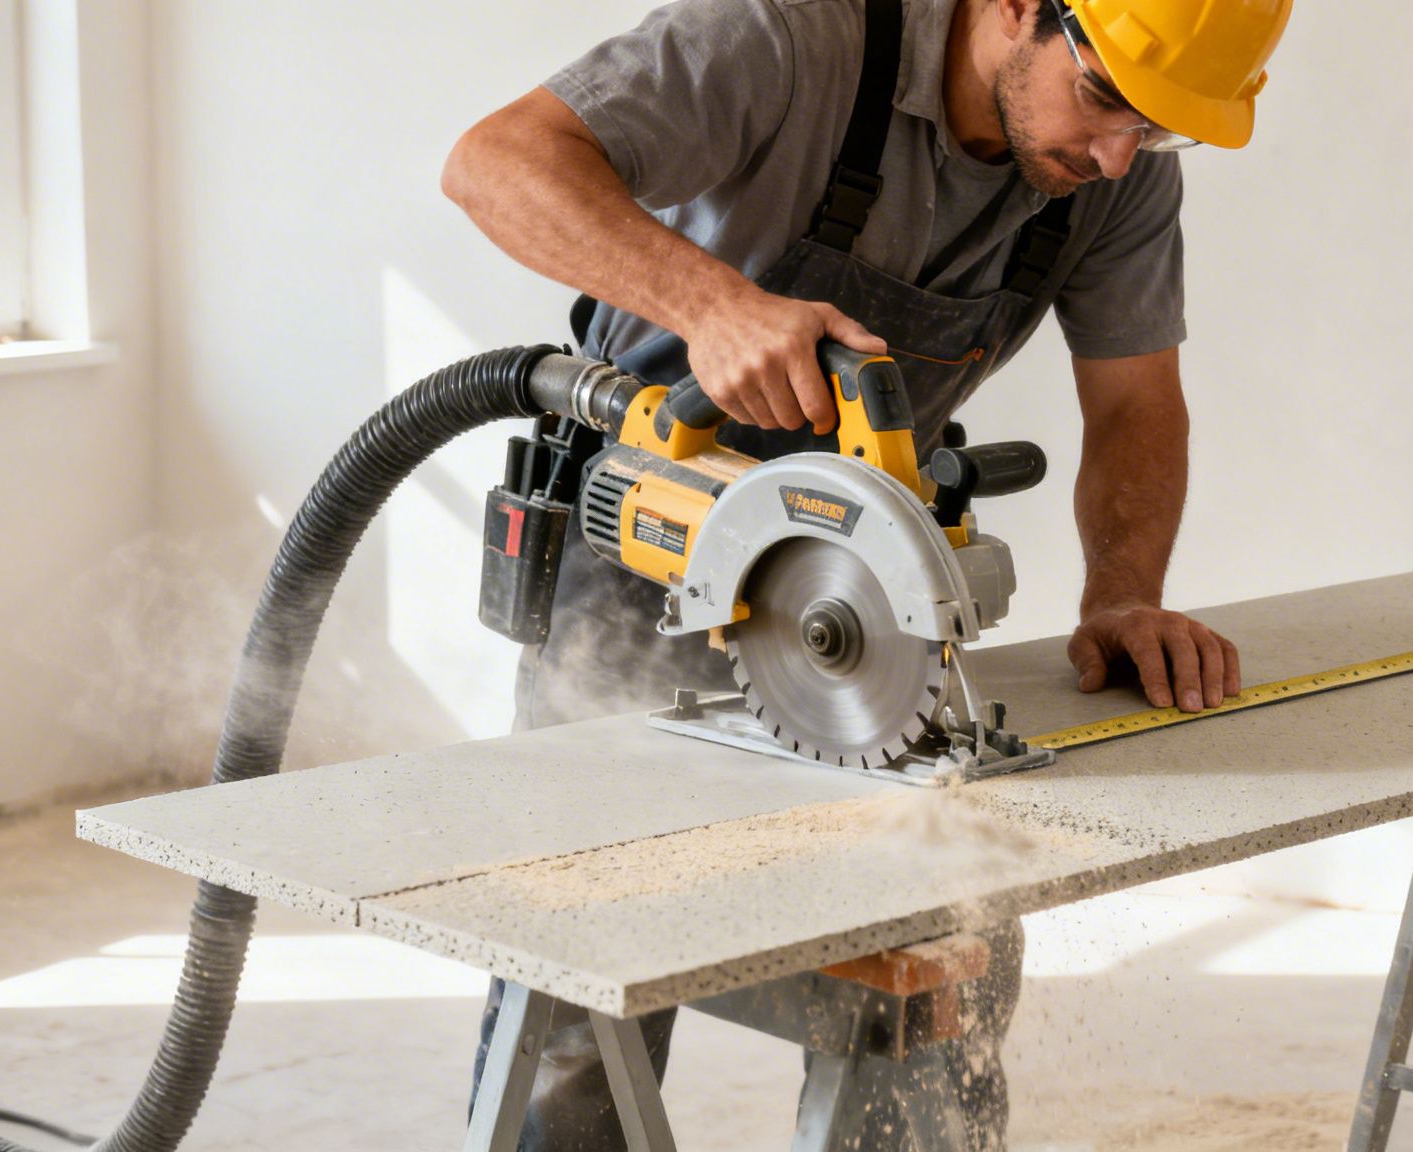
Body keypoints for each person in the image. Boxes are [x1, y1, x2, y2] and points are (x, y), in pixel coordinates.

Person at [443, 0, 1292, 1146]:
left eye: (1155, 130)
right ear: (1009, 9)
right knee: (586, 953)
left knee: (944, 955)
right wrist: (714, 308)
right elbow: (494, 161)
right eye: (1104, 102)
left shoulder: (1112, 171)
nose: (1115, 156)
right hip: (643, 545)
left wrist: (1122, 595)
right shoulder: (790, 37)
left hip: (856, 596)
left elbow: (1137, 403)